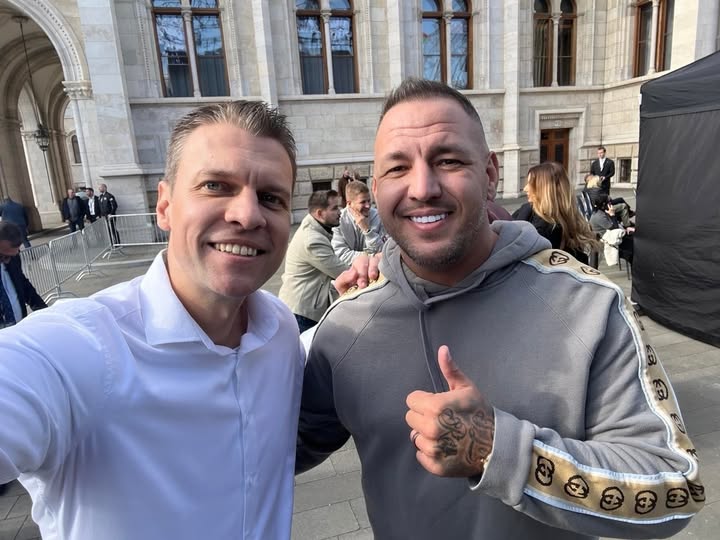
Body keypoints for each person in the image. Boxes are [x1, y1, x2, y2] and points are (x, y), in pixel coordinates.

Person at [297, 79, 704, 539]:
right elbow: (272, 452)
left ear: (490, 174)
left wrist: (497, 450)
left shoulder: (590, 305)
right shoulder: (345, 326)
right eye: (397, 168)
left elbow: (675, 489)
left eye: (449, 161)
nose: (422, 187)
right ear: (376, 189)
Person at [0, 101, 307, 539]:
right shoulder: (82, 347)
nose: (247, 214)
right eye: (216, 186)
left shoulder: (279, 330)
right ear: (164, 206)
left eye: (271, 198)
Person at [0, 221, 48, 494]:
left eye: (13, 254)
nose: (10, 259)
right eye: (4, 254)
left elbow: (23, 285)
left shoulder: (12, 260)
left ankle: (21, 449)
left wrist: (41, 308)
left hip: (16, 335)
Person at [278, 189, 348, 332]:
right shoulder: (313, 240)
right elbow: (342, 272)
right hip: (302, 312)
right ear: (320, 214)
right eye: (334, 208)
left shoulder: (316, 228)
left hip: (304, 308)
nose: (340, 212)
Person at [512, 162, 597, 265]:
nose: (525, 188)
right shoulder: (527, 212)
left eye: (531, 184)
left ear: (544, 190)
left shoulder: (545, 231)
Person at [332, 181, 387, 264]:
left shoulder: (378, 216)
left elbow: (383, 250)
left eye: (369, 201)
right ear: (349, 203)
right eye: (363, 202)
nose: (368, 206)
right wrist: (371, 256)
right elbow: (342, 255)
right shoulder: (338, 220)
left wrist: (367, 230)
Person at [590, 194, 635, 265]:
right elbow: (615, 229)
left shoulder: (601, 212)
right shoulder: (599, 217)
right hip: (610, 242)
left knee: (634, 238)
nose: (611, 203)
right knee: (633, 247)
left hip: (612, 235)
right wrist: (612, 214)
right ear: (604, 204)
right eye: (609, 202)